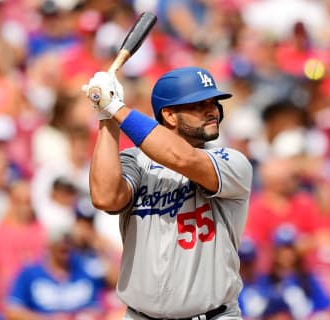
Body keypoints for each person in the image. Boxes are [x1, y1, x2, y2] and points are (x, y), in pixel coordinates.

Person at [82, 66, 253, 320]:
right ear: (170, 116)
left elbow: (182, 158)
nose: (212, 110)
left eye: (213, 103)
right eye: (198, 105)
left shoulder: (231, 162)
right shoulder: (135, 161)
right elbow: (106, 198)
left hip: (212, 315)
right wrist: (105, 114)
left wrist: (117, 108)